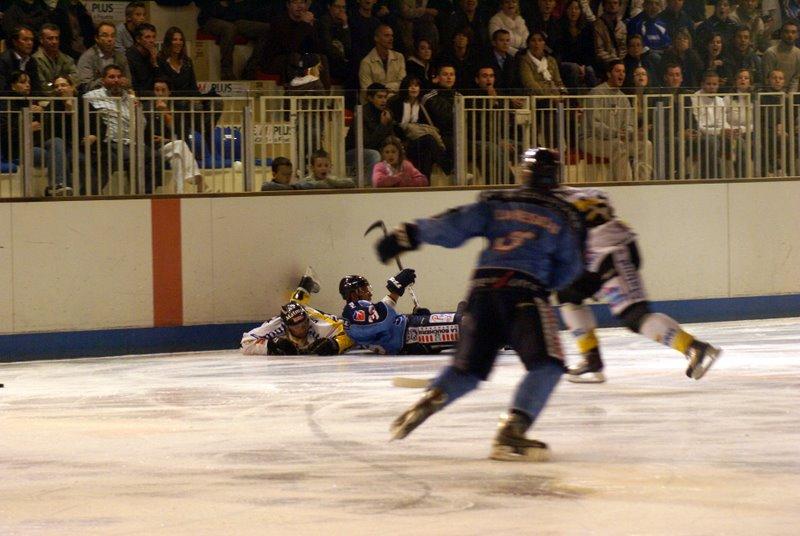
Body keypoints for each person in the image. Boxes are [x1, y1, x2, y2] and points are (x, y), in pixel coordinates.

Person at [378, 147, 585, 461]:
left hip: (482, 291)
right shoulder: (564, 213)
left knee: (468, 370)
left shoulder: (498, 202)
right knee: (549, 364)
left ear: (524, 173)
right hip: (525, 292)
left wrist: (409, 235)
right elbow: (571, 267)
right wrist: (546, 285)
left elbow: (455, 224)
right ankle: (511, 431)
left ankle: (433, 397)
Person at [553, 185, 722, 383]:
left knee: (634, 317)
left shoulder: (546, 201)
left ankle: (694, 348)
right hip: (603, 255)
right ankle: (591, 359)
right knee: (568, 293)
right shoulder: (585, 191)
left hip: (611, 255)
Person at [339, 271, 462, 355]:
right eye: (365, 290)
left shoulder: (354, 313)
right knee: (463, 323)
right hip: (411, 335)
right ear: (354, 294)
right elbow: (381, 321)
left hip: (411, 335)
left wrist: (414, 315)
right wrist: (395, 290)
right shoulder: (352, 312)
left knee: (462, 321)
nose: (370, 293)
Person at [84, 64, 163, 194]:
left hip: (132, 141)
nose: (116, 80)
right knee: (132, 156)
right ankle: (135, 193)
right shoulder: (92, 97)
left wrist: (137, 109)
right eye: (111, 77)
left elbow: (142, 125)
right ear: (103, 80)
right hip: (111, 140)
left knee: (156, 157)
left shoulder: (129, 97)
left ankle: (147, 193)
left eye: (119, 77)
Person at [241, 270, 354, 356]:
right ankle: (307, 283)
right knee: (294, 304)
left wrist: (336, 344)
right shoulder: (277, 325)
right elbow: (246, 342)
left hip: (313, 314)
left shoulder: (320, 326)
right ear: (286, 326)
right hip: (298, 312)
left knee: (296, 305)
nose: (303, 328)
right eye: (297, 326)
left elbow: (350, 331)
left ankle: (307, 283)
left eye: (304, 323)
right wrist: (269, 345)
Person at [0, 70, 71, 195]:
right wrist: (25, 128)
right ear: (12, 86)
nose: (27, 85)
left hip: (38, 143)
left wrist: (42, 115)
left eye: (28, 82)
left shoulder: (33, 101)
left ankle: (57, 186)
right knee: (56, 157)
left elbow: (47, 130)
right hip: (18, 149)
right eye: (22, 82)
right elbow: (5, 134)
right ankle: (59, 186)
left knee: (57, 141)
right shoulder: (7, 104)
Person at [582, 60, 652, 181]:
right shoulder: (596, 93)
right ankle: (626, 186)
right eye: (618, 71)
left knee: (646, 145)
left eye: (623, 71)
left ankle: (643, 182)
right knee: (619, 147)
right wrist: (616, 133)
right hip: (591, 139)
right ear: (609, 74)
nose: (622, 74)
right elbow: (595, 125)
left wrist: (627, 132)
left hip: (617, 139)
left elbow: (629, 123)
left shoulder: (623, 98)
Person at [195, 0, 270, 80]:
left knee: (267, 29)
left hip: (235, 19)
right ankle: (226, 71)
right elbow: (209, 8)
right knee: (229, 28)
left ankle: (251, 68)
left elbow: (246, 9)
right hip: (211, 19)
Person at [76, 22, 131, 94]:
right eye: (105, 36)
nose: (110, 39)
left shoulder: (120, 57)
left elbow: (129, 82)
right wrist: (105, 81)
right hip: (94, 99)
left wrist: (125, 82)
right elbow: (84, 86)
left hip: (118, 98)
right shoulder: (87, 57)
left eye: (113, 36)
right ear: (97, 38)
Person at [359, 24, 406, 98]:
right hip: (373, 107)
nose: (391, 38)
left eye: (392, 35)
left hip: (395, 103)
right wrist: (391, 88)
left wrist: (383, 87)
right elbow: (368, 92)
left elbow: (403, 84)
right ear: (376, 38)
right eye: (387, 35)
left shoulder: (399, 57)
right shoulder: (366, 62)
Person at [33, 23, 78, 90]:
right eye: (50, 38)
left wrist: (63, 85)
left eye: (56, 38)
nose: (54, 41)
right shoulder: (35, 60)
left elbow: (76, 78)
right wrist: (57, 84)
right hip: (45, 98)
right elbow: (42, 84)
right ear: (41, 40)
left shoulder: (67, 59)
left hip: (67, 95)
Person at [0, 25, 41, 93]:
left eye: (31, 40)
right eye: (25, 39)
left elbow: (36, 88)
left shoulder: (32, 61)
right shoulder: (3, 61)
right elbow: (2, 89)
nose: (30, 43)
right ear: (15, 42)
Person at [762, 20, 800, 92]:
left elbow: (796, 78)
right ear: (781, 34)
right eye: (787, 32)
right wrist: (779, 97)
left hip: (790, 96)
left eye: (793, 32)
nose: (790, 35)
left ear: (797, 35)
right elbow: (766, 80)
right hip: (772, 96)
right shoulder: (770, 53)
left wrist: (790, 96)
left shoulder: (798, 53)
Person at [126, 22, 160, 95]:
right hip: (137, 96)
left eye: (154, 37)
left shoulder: (155, 55)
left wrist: (154, 63)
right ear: (138, 39)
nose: (152, 40)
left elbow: (160, 81)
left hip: (153, 96)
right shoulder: (129, 56)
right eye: (147, 37)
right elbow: (135, 83)